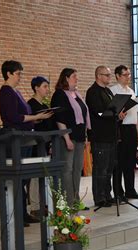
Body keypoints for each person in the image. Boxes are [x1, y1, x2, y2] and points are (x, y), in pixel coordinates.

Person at [0, 60, 53, 226]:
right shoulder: (6, 92)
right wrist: (37, 117)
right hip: (15, 138)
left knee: (24, 179)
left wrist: (36, 120)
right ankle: (16, 214)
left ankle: (23, 212)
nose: (20, 77)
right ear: (8, 74)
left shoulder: (16, 92)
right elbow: (13, 117)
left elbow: (25, 115)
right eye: (18, 73)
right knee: (18, 178)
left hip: (26, 137)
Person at [52, 68, 91, 209]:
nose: (77, 79)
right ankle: (68, 202)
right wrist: (67, 139)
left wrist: (86, 136)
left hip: (80, 137)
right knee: (67, 170)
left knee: (77, 169)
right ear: (66, 78)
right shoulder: (59, 95)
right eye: (74, 76)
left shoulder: (76, 94)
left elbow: (83, 117)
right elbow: (59, 118)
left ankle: (75, 200)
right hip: (68, 137)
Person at [86, 66, 118, 208]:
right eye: (107, 75)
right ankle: (99, 197)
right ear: (98, 76)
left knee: (110, 167)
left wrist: (118, 113)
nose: (109, 78)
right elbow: (99, 112)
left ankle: (107, 194)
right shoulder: (93, 92)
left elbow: (112, 109)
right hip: (100, 135)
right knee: (101, 168)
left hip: (111, 135)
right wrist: (115, 114)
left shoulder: (108, 91)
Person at [110, 65, 138, 199]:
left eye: (129, 75)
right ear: (117, 76)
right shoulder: (112, 90)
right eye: (125, 75)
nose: (128, 77)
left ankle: (131, 190)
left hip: (131, 128)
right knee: (119, 161)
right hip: (119, 128)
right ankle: (118, 192)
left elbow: (134, 113)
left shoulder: (131, 91)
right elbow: (110, 112)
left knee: (130, 162)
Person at [28, 76, 56, 215]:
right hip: (34, 145)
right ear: (36, 88)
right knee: (34, 176)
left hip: (44, 144)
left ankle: (43, 203)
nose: (47, 89)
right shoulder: (30, 105)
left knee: (43, 176)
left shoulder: (45, 106)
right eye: (45, 86)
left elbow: (49, 126)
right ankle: (35, 206)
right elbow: (30, 124)